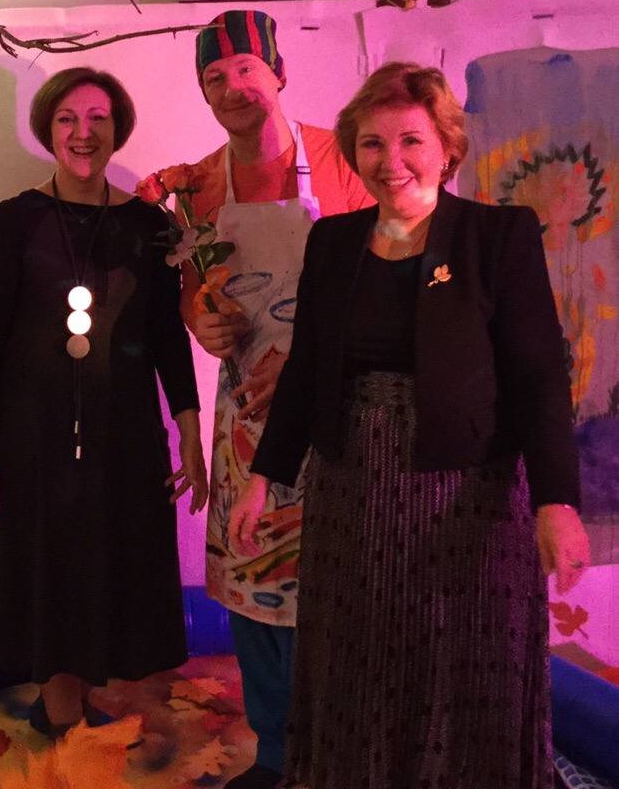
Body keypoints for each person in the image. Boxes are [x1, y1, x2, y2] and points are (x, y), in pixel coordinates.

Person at [231, 62, 590, 789]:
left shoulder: (497, 235)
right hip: (351, 493)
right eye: (371, 143)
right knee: (359, 655)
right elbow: (305, 372)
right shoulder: (332, 241)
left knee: (459, 659)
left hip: (467, 493)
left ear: (446, 148)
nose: (390, 160)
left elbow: (537, 375)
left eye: (410, 141)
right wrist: (261, 478)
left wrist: (557, 502)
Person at [0, 66, 207, 736]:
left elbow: (167, 336)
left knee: (104, 564)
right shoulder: (15, 220)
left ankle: (67, 706)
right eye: (68, 118)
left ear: (117, 128)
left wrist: (189, 427)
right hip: (29, 437)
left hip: (123, 435)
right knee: (50, 567)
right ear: (48, 130)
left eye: (98, 117)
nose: (83, 132)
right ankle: (65, 720)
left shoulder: (148, 224)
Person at [177, 10, 373, 789]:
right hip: (247, 418)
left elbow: (382, 279)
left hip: (335, 408)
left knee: (329, 583)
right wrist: (203, 321)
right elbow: (192, 288)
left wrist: (310, 358)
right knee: (250, 583)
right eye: (215, 77)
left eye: (247, 69)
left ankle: (335, 746)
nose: (233, 87)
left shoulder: (340, 157)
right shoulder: (196, 185)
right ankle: (275, 752)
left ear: (279, 73)